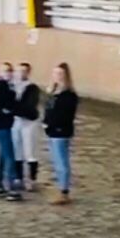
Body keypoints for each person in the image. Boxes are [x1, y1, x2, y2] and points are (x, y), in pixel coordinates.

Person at [43, 63, 79, 205]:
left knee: (62, 162)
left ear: (65, 76)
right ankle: (61, 188)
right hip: (52, 131)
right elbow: (48, 110)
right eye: (55, 73)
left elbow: (65, 115)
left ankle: (64, 192)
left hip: (61, 131)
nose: (56, 76)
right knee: (56, 161)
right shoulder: (54, 92)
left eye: (60, 74)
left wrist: (51, 123)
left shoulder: (69, 95)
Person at [0, 62, 21, 201]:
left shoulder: (3, 86)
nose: (9, 73)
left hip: (1, 124)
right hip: (1, 125)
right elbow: (6, 105)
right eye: (6, 71)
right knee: (9, 156)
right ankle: (11, 187)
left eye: (10, 71)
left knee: (3, 155)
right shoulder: (0, 87)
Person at [11, 62, 41, 191]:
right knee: (17, 150)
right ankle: (18, 177)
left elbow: (29, 106)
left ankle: (32, 179)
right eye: (18, 71)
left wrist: (13, 108)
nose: (20, 74)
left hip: (29, 122)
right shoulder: (12, 86)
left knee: (30, 151)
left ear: (28, 73)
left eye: (24, 71)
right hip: (16, 121)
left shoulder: (32, 88)